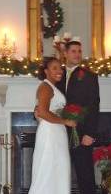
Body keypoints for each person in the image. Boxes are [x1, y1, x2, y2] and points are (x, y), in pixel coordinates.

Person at [28, 57, 77, 194]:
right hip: (50, 133)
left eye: (60, 68)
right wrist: (65, 121)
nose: (59, 71)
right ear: (46, 71)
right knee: (47, 170)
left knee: (58, 170)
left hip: (55, 132)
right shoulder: (45, 87)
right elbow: (43, 112)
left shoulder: (52, 87)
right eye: (54, 68)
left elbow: (42, 112)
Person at [57, 41, 100, 194]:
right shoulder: (57, 74)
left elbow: (94, 106)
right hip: (60, 131)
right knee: (59, 172)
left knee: (85, 173)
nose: (77, 54)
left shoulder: (89, 76)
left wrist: (90, 133)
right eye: (73, 51)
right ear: (65, 54)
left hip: (82, 132)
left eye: (79, 51)